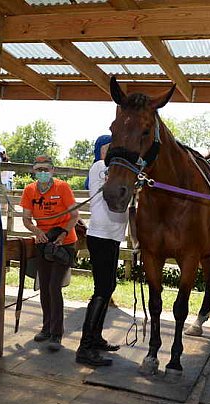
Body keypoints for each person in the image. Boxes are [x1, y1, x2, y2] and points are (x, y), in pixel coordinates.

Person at [76, 135, 128, 367]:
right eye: (110, 147)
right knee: (102, 289)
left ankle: (95, 338)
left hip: (112, 237)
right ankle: (85, 347)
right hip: (101, 235)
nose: (114, 151)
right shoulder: (100, 167)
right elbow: (118, 193)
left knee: (108, 287)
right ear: (101, 150)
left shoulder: (113, 169)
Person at [21, 155, 79, 352]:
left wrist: (62, 234)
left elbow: (75, 215)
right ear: (34, 172)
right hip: (43, 242)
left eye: (46, 169)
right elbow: (27, 219)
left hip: (64, 242)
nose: (43, 172)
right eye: (39, 169)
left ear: (53, 170)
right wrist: (36, 232)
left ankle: (57, 333)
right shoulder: (29, 190)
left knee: (55, 286)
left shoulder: (62, 188)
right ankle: (46, 328)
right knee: (44, 286)